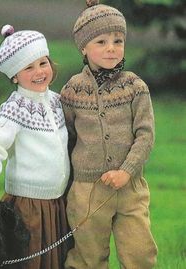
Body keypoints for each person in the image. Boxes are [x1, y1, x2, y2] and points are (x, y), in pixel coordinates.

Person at [60, 1, 158, 268]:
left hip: (130, 187)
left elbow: (145, 134)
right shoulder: (72, 90)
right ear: (84, 47)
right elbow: (65, 137)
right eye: (101, 41)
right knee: (87, 258)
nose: (111, 48)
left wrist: (126, 170)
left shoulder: (135, 87)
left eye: (118, 40)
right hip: (87, 191)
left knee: (140, 254)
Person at [0, 24, 70, 269]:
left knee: (56, 258)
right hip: (30, 204)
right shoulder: (14, 108)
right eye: (29, 67)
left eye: (43, 63)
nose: (39, 72)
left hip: (57, 201)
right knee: (32, 256)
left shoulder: (58, 101)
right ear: (14, 75)